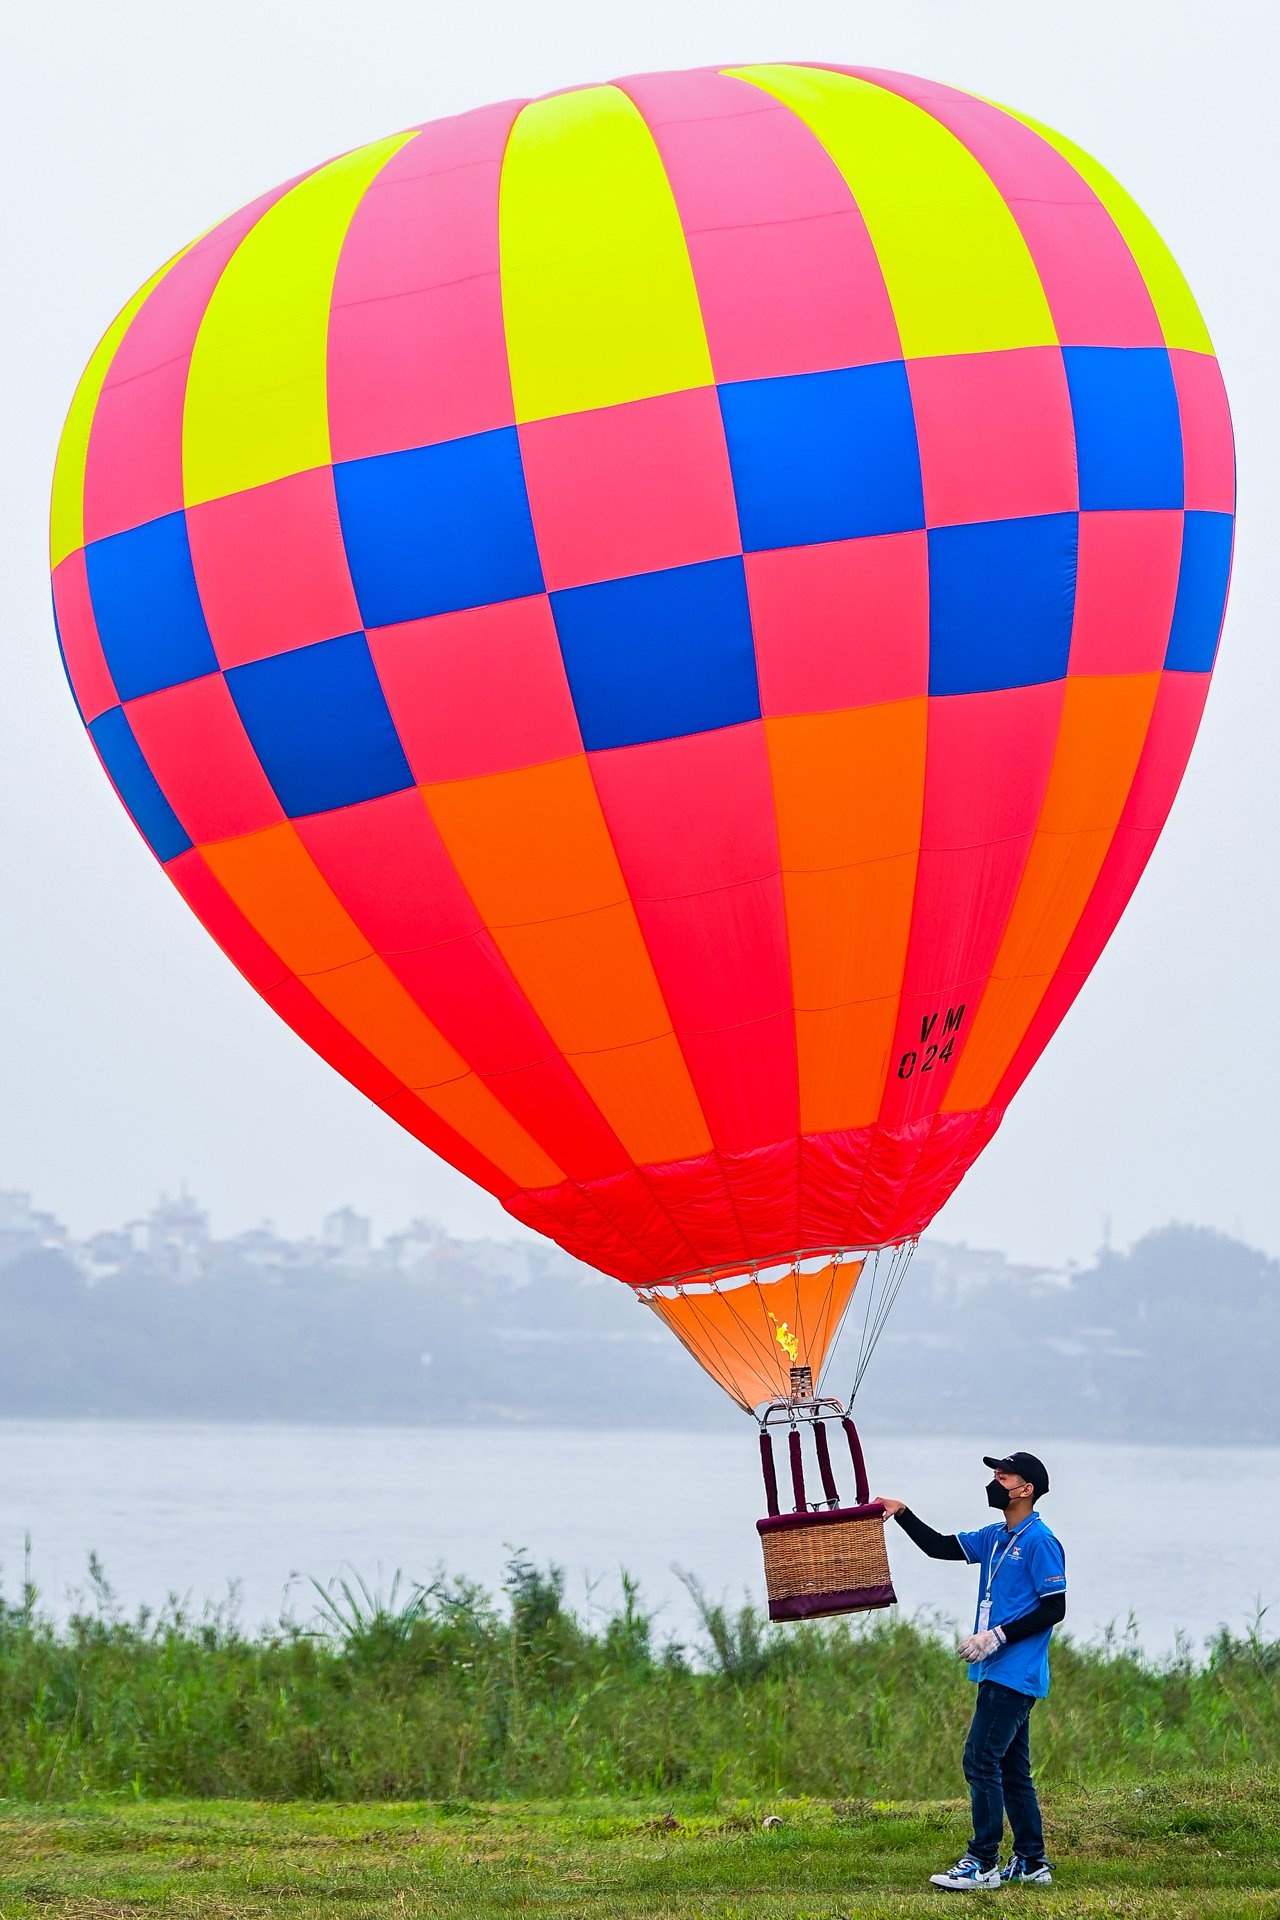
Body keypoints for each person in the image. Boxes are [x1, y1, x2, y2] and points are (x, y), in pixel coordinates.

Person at [876, 1451, 1066, 1891]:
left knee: (979, 1759)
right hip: (994, 1670)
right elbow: (941, 1546)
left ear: (1026, 1489)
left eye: (1005, 1476)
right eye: (995, 1474)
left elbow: (1054, 1608)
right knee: (1012, 1769)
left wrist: (996, 1636)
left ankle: (982, 1863)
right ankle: (1031, 1861)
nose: (995, 1480)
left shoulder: (1040, 1541)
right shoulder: (995, 1537)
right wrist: (902, 1513)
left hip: (1014, 1672)